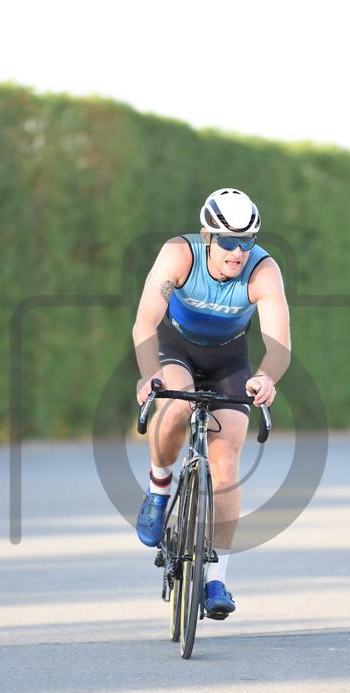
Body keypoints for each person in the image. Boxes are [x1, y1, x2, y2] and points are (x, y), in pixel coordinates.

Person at [132, 188, 290, 619]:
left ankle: (217, 578)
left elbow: (279, 344)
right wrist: (150, 374)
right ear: (207, 237)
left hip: (228, 359)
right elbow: (145, 322)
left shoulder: (263, 271)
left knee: (226, 462)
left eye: (247, 241)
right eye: (227, 241)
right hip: (176, 348)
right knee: (175, 406)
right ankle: (159, 488)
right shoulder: (179, 255)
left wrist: (266, 377)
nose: (238, 252)